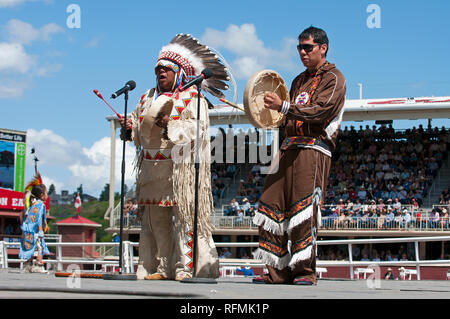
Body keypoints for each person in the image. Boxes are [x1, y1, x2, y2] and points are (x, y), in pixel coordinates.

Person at [120, 34, 232, 281]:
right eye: (157, 69)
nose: (161, 72)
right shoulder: (146, 98)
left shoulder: (193, 97)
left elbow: (199, 130)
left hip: (181, 171)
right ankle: (159, 267)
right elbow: (142, 136)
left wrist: (169, 123)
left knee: (185, 223)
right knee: (154, 223)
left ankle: (186, 268)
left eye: (166, 69)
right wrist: (130, 128)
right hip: (152, 171)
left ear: (179, 72)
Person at [252, 26, 346, 285]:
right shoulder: (296, 81)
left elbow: (320, 112)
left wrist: (283, 106)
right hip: (288, 147)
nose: (302, 52)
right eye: (299, 48)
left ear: (323, 48)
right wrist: (264, 112)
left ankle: (304, 272)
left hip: (313, 148)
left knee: (304, 208)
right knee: (269, 204)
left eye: (308, 47)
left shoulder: (335, 78)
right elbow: (286, 116)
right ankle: (277, 270)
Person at [19, 173, 50, 273]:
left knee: (30, 247)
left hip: (27, 230)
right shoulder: (41, 205)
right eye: (46, 193)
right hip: (36, 231)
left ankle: (28, 265)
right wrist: (41, 230)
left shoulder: (31, 205)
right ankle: (38, 265)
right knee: (39, 247)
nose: (47, 195)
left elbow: (24, 216)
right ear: (42, 195)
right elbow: (39, 219)